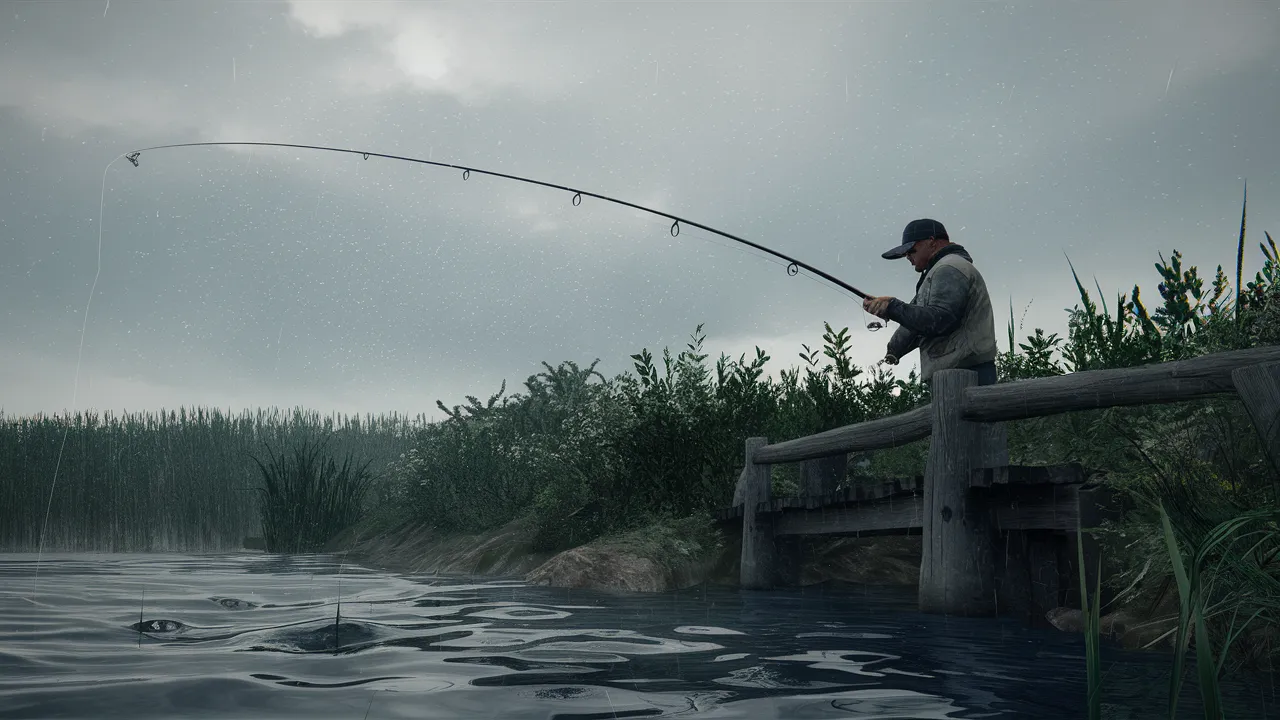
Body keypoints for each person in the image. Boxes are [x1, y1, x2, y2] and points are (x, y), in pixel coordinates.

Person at [861, 218, 999, 386]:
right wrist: (893, 350)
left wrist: (891, 307)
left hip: (966, 374)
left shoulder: (948, 268)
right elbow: (919, 319)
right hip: (957, 374)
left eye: (911, 250)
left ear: (931, 242)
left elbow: (939, 320)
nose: (907, 256)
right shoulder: (938, 271)